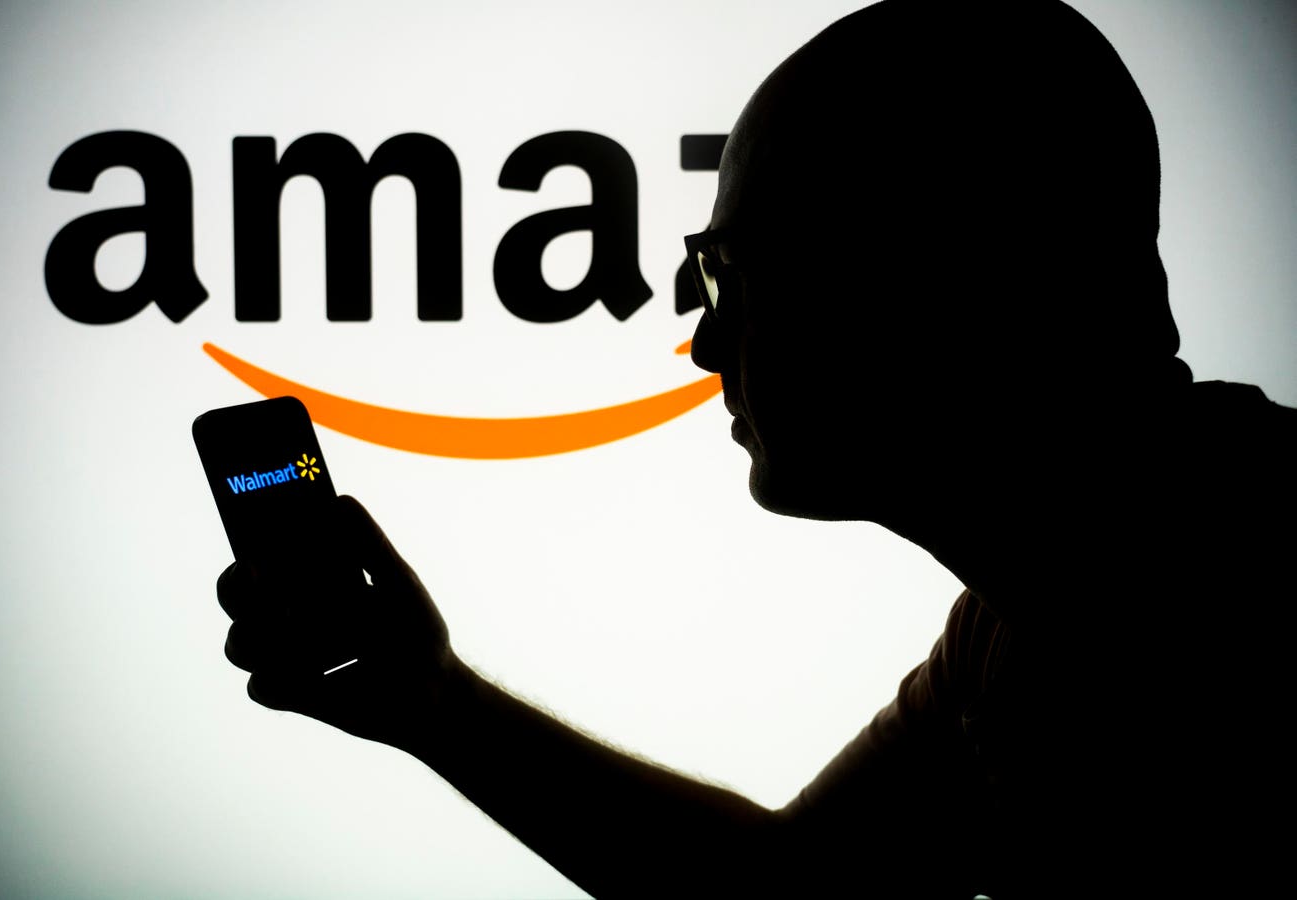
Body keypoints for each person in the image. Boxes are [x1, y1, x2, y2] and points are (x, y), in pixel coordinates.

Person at [217, 0, 1295, 895]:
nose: (701, 343)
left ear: (939, 270)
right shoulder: (1017, 627)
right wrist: (437, 703)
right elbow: (792, 888)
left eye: (727, 271)